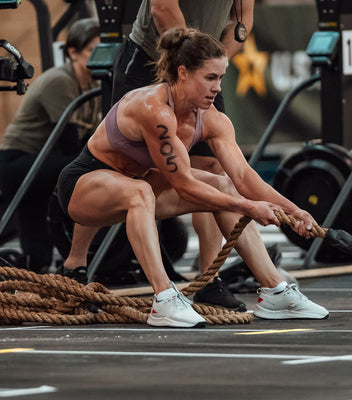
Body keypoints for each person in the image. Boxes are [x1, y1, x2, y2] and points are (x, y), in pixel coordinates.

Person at [56, 27, 329, 328]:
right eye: (210, 78)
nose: (218, 88)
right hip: (84, 186)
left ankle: (275, 290)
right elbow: (184, 185)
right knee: (141, 192)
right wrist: (250, 208)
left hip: (137, 185)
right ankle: (164, 299)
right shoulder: (153, 109)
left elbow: (243, 176)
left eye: (221, 78)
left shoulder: (212, 119)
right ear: (183, 73)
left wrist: (295, 210)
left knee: (221, 183)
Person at [60, 0, 259, 311]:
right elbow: (162, 8)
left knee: (210, 167)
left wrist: (211, 67)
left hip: (198, 66)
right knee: (116, 163)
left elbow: (242, 23)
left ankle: (209, 278)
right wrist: (190, 60)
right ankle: (75, 265)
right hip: (151, 56)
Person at [0, 18, 101, 273]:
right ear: (72, 52)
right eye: (91, 50)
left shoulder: (93, 83)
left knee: (38, 259)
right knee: (88, 169)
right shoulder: (61, 81)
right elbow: (71, 144)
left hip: (42, 160)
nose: (97, 57)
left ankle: (41, 263)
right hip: (17, 162)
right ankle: (80, 257)